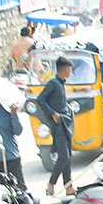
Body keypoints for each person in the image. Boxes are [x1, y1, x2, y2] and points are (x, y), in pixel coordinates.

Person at [37, 56, 76, 196]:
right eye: (69, 69)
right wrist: (52, 113)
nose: (70, 72)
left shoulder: (62, 84)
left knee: (68, 156)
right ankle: (51, 184)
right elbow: (40, 99)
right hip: (58, 124)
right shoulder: (53, 83)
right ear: (64, 69)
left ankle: (69, 186)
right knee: (63, 156)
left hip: (66, 122)